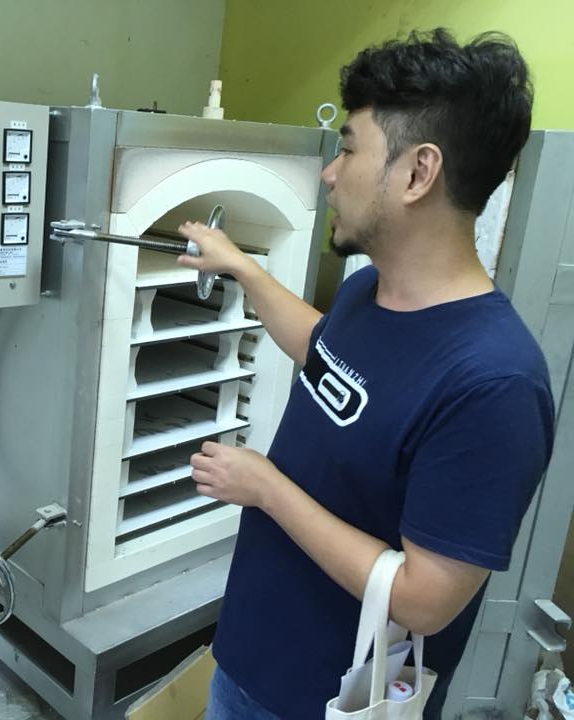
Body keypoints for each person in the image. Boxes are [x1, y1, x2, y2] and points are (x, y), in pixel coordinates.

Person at [177, 29, 555, 719]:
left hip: (330, 700)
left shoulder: (494, 384)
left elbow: (424, 599)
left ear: (417, 173)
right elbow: (328, 357)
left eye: (349, 148)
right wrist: (244, 269)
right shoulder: (368, 292)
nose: (330, 172)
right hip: (251, 655)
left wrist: (266, 489)